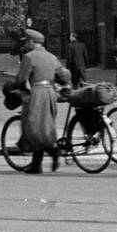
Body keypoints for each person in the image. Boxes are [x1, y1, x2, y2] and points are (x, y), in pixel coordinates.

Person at [15, 29, 69, 173]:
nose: (26, 44)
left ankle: (53, 152)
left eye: (27, 41)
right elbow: (64, 76)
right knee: (43, 126)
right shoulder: (52, 57)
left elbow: (21, 78)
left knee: (32, 127)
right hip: (50, 94)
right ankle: (36, 164)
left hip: (36, 93)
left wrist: (19, 87)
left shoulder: (29, 57)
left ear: (32, 42)